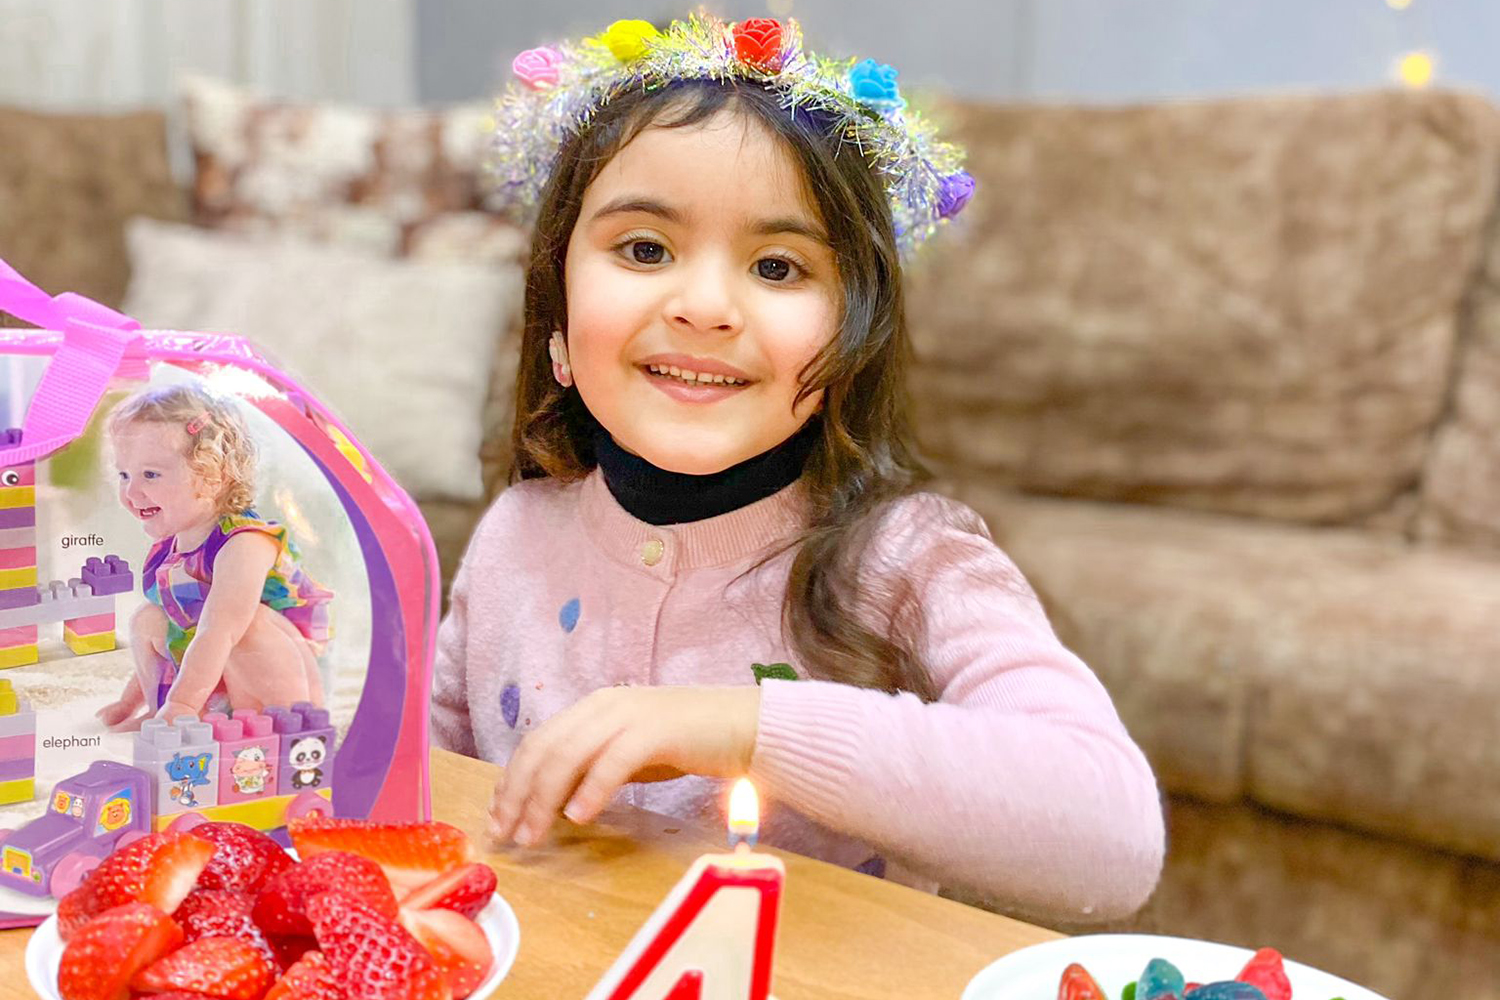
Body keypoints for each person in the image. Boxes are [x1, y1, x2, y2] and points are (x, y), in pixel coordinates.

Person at [431, 14, 1164, 922]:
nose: (705, 306)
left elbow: (1114, 837)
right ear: (557, 311)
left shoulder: (910, 559)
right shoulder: (518, 532)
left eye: (777, 267)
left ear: (853, 337)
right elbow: (419, 796)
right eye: (645, 249)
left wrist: (743, 727)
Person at [96, 383, 331, 730]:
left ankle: (264, 720)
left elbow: (219, 632)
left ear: (213, 476)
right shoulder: (173, 548)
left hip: (290, 682)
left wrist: (183, 704)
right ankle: (163, 711)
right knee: (149, 619)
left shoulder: (244, 543)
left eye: (151, 474)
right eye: (124, 474)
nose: (131, 491)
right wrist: (130, 703)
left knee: (244, 624)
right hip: (220, 674)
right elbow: (182, 630)